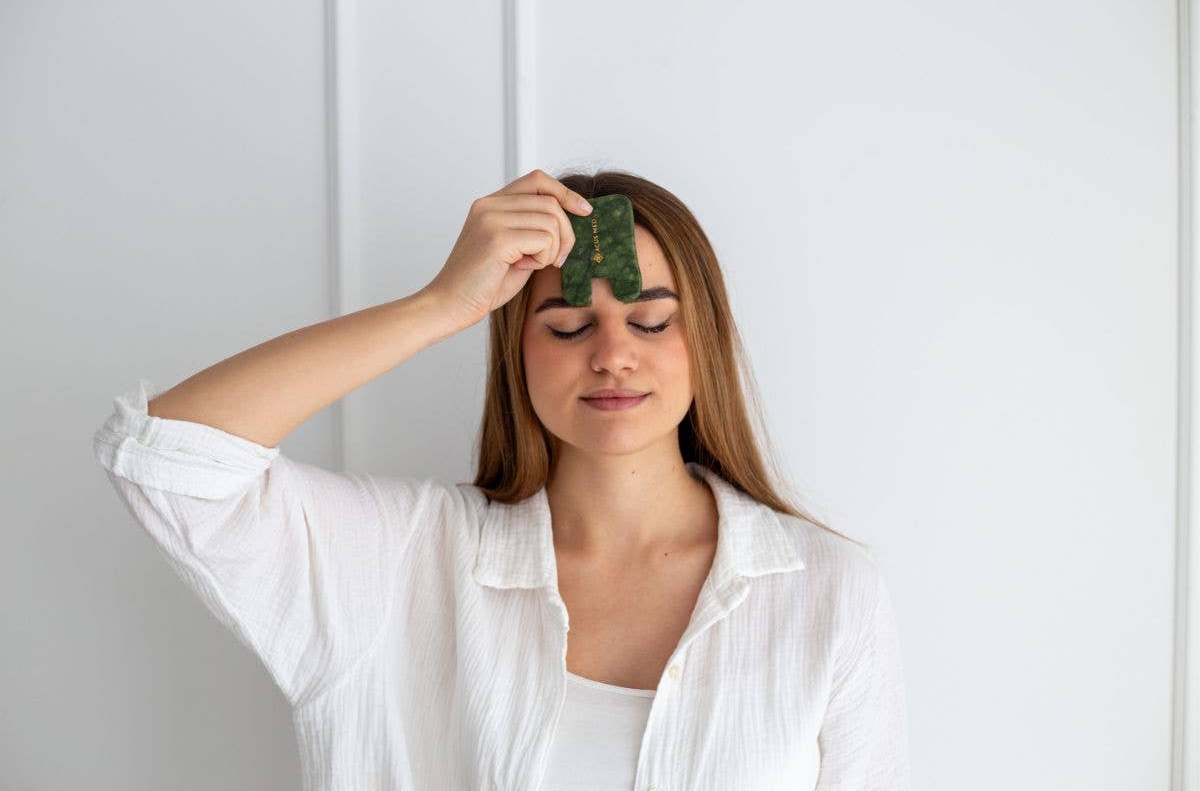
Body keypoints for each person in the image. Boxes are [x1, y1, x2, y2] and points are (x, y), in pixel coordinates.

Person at [92, 168, 912, 790]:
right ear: (518, 355)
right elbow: (168, 455)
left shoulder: (829, 590)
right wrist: (443, 304)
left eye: (652, 320)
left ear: (705, 342)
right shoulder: (398, 564)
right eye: (566, 325)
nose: (613, 352)